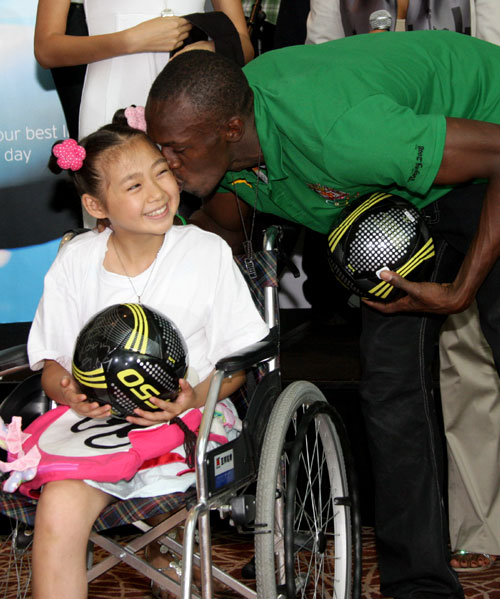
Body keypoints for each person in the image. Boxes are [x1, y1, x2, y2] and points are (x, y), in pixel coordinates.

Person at [143, 34, 500, 599]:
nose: (166, 163)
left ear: (231, 130)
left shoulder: (342, 134)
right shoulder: (226, 155)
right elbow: (220, 228)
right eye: (159, 147)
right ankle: (420, 589)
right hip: (396, 197)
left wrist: (459, 290)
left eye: (177, 149)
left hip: (484, 149)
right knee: (390, 389)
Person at [24, 111, 269, 599]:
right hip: (100, 427)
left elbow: (236, 365)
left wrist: (190, 398)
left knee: (168, 475)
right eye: (134, 186)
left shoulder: (204, 252)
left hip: (194, 418)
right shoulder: (76, 261)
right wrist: (69, 392)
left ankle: (163, 547)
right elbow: (53, 365)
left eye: (162, 172)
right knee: (57, 508)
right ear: (96, 204)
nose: (158, 193)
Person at [304, 0, 500, 574]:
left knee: (478, 360)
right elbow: (321, 67)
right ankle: (473, 531)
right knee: (430, 373)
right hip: (389, 188)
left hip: (480, 160)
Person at [34, 0, 254, 139]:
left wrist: (209, 49)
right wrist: (130, 40)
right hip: (112, 104)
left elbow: (244, 45)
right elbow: (46, 49)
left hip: (195, 104)